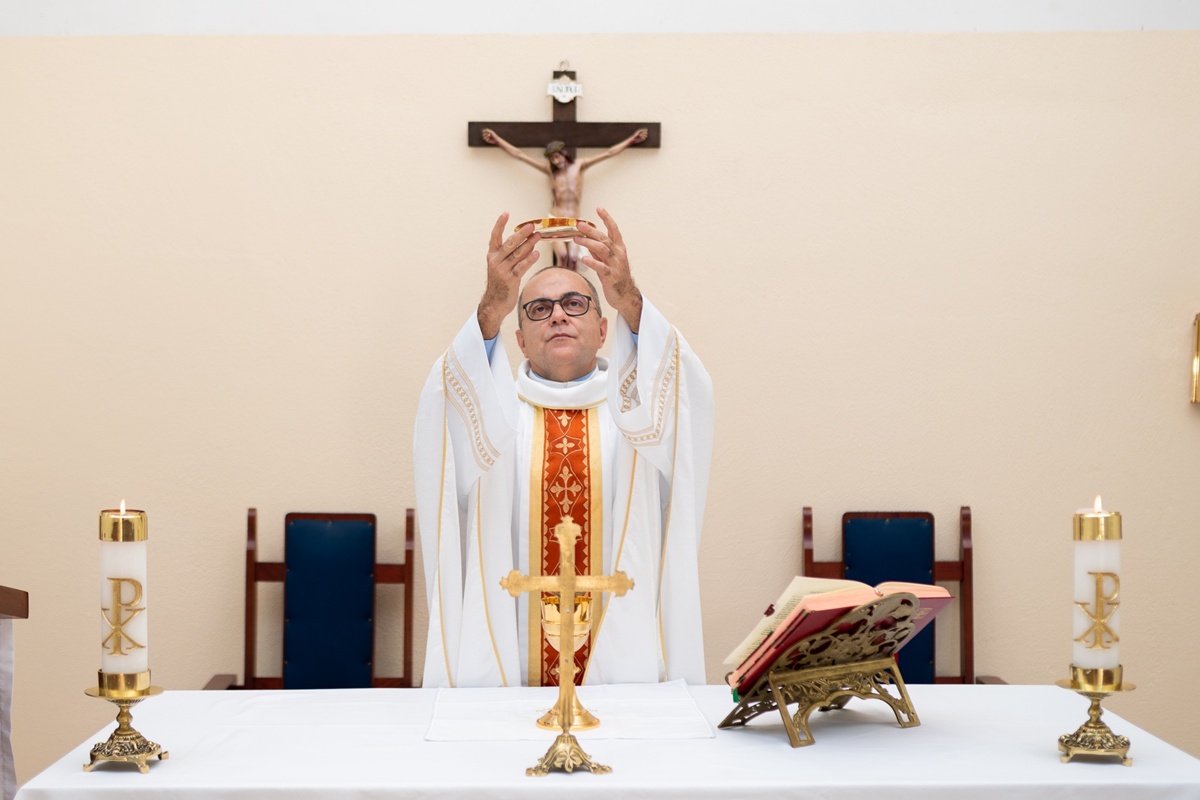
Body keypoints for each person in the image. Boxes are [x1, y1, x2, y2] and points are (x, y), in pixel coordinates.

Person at [414, 208, 713, 688]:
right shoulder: (494, 416)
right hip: (512, 672)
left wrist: (630, 299)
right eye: (538, 308)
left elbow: (687, 400)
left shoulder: (636, 414)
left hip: (620, 675)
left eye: (575, 304)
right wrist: (490, 308)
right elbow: (444, 415)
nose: (557, 315)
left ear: (603, 329)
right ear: (519, 339)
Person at [480, 128, 648, 269]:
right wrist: (498, 141)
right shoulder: (550, 171)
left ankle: (572, 289)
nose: (556, 160)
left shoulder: (579, 165)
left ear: (564, 153)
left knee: (574, 259)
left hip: (574, 222)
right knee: (562, 256)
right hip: (555, 220)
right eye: (552, 158)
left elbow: (609, 154)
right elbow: (520, 156)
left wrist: (631, 140)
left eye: (557, 156)